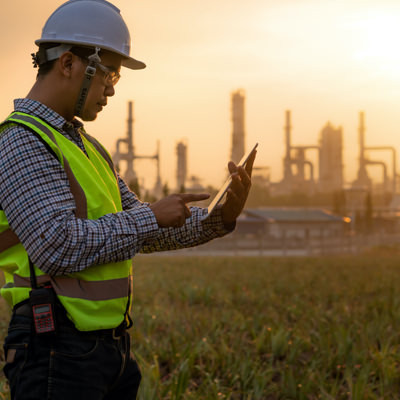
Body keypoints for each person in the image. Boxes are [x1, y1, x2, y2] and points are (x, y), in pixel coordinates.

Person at [0, 0, 256, 399]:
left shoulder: (88, 147)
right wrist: (149, 217)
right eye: (110, 74)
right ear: (68, 63)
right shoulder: (21, 141)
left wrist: (217, 217)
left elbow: (144, 230)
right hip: (54, 348)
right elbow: (56, 245)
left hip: (110, 348)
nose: (112, 89)